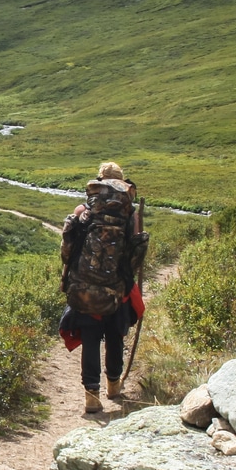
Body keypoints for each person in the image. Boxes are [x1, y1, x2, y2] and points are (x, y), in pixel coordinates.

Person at [58, 161, 148, 413]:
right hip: (116, 287)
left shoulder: (83, 210)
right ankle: (113, 386)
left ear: (99, 182)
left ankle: (91, 396)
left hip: (85, 286)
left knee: (90, 338)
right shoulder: (131, 215)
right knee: (114, 335)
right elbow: (136, 254)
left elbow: (67, 251)